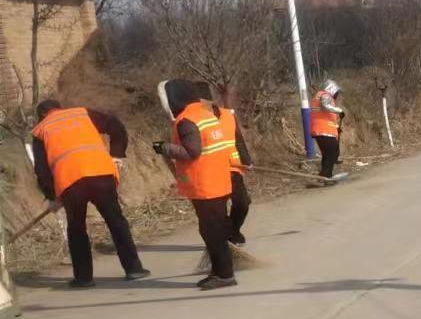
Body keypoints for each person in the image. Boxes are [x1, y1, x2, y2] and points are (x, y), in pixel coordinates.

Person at [29, 99, 149, 288]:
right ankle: (134, 269)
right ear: (60, 108)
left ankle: (84, 278)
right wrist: (116, 155)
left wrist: (52, 197)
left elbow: (42, 170)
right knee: (116, 221)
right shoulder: (82, 113)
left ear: (41, 116)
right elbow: (116, 126)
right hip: (101, 174)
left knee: (77, 228)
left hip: (70, 183)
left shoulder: (40, 130)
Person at [153, 78, 238, 290]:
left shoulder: (186, 120)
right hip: (218, 181)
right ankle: (219, 272)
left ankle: (225, 275)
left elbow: (192, 152)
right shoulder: (204, 114)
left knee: (212, 231)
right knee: (214, 229)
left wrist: (164, 147)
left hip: (205, 185)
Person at [205, 86, 254, 245]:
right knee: (218, 210)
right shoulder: (194, 121)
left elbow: (238, 139)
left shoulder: (227, 116)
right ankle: (230, 236)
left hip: (233, 168)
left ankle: (232, 231)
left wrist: (246, 159)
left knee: (243, 203)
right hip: (211, 171)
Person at [310, 79, 344, 179]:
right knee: (333, 151)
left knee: (327, 153)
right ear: (332, 90)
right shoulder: (325, 95)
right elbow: (326, 106)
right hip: (323, 130)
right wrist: (339, 110)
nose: (337, 95)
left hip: (321, 129)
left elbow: (325, 115)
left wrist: (336, 127)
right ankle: (326, 175)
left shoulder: (320, 96)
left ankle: (324, 175)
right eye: (336, 93)